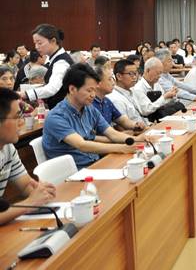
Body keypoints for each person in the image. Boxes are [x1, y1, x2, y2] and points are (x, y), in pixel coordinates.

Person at [42, 64, 145, 168]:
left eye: (94, 90)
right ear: (72, 89)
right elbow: (81, 145)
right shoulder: (56, 117)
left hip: (94, 163)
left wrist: (138, 139)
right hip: (75, 171)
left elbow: (113, 134)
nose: (93, 95)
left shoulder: (89, 109)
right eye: (89, 90)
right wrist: (122, 148)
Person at [0, 88, 57, 226]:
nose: (22, 122)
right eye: (16, 117)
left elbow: (26, 185)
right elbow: (30, 201)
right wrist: (29, 203)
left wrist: (41, 192)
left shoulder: (8, 148)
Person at [21, 24, 74, 109]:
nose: (36, 47)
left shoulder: (61, 62)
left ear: (53, 41)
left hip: (64, 110)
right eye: (35, 43)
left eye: (39, 43)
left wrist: (26, 94)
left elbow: (52, 88)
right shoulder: (54, 59)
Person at [91, 65, 146, 132]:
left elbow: (122, 120)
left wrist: (135, 125)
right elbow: (91, 136)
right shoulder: (90, 104)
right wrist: (121, 135)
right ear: (97, 83)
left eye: (113, 79)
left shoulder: (106, 101)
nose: (113, 83)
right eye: (109, 79)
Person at [107, 59, 149, 127]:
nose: (135, 77)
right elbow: (122, 127)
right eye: (131, 74)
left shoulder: (132, 91)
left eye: (136, 73)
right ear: (119, 76)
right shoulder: (116, 99)